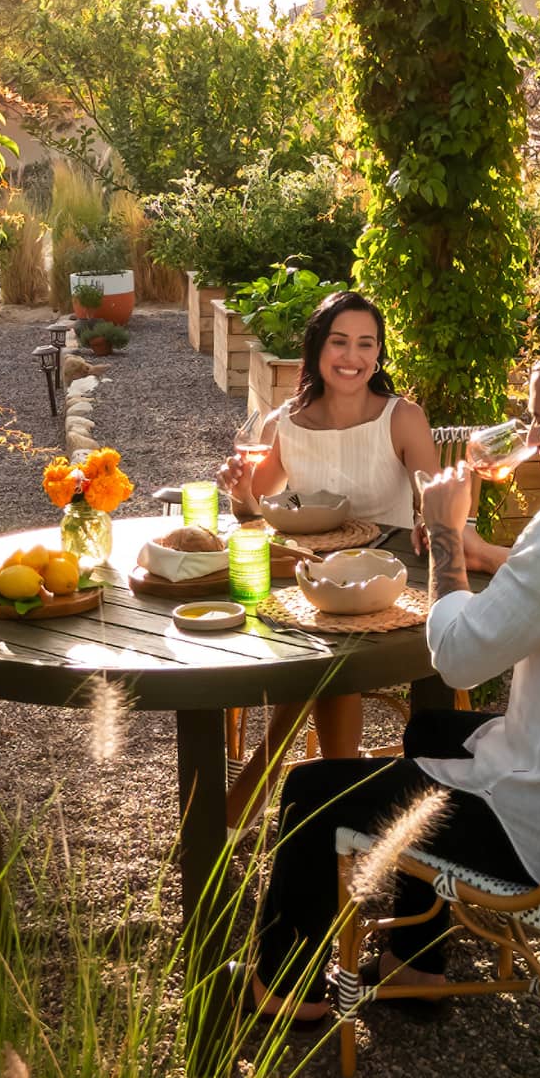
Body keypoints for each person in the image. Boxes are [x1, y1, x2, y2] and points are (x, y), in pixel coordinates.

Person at [242, 335, 540, 1025]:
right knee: (431, 727)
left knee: (312, 789)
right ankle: (416, 961)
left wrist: (442, 534)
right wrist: (493, 553)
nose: (533, 439)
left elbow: (459, 658)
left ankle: (288, 994)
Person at [217, 291, 440, 829]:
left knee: (325, 652)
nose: (352, 356)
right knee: (317, 639)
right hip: (312, 579)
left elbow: (439, 498)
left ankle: (263, 784)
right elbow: (255, 508)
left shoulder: (401, 417)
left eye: (366, 344)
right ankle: (336, 807)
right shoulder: (283, 423)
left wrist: (430, 519)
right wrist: (238, 487)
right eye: (339, 341)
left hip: (391, 580)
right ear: (318, 349)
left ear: (379, 353)